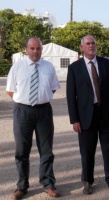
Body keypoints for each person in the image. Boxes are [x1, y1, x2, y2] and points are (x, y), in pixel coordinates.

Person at [66, 35, 109, 195]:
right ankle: (87, 181)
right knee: (87, 150)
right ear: (81, 47)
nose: (91, 46)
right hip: (85, 117)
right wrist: (74, 119)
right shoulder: (74, 68)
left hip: (106, 114)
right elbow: (71, 97)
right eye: (88, 44)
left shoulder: (106, 64)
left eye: (93, 43)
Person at [6, 37, 60, 199]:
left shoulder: (48, 67)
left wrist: (40, 99)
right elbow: (10, 90)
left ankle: (48, 184)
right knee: (22, 150)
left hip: (44, 112)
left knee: (46, 150)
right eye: (32, 48)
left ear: (41, 50)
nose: (35, 51)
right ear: (26, 49)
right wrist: (25, 101)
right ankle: (22, 186)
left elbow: (53, 88)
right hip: (23, 112)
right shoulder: (17, 66)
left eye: (38, 49)